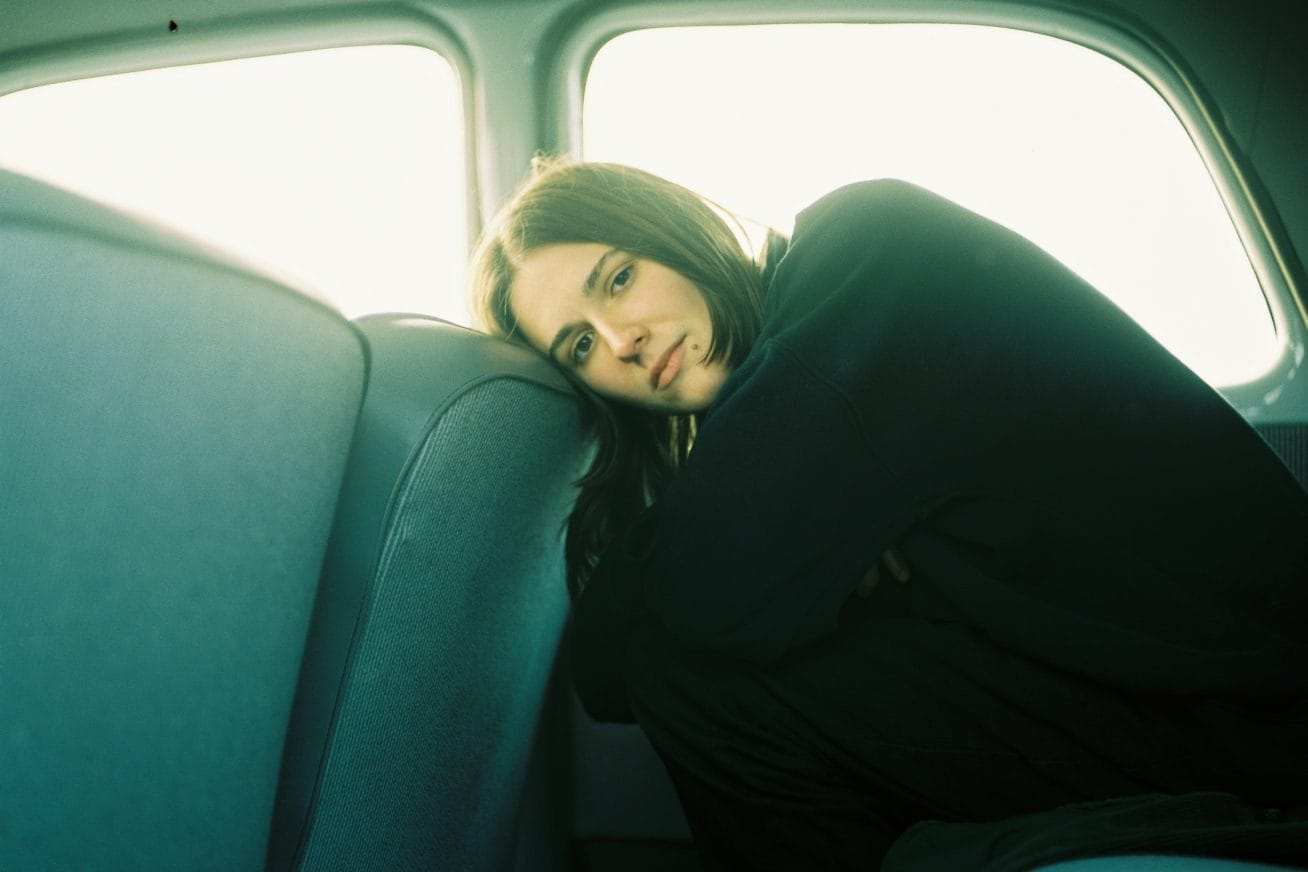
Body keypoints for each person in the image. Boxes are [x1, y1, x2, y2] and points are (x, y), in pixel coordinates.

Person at [470, 158, 1308, 869]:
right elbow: (611, 669)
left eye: (619, 279)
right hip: (1138, 696)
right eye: (579, 345)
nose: (621, 340)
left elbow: (676, 606)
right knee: (691, 665)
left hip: (1254, 711)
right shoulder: (785, 428)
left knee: (687, 666)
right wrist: (822, 552)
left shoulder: (865, 253)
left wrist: (793, 549)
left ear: (676, 234)